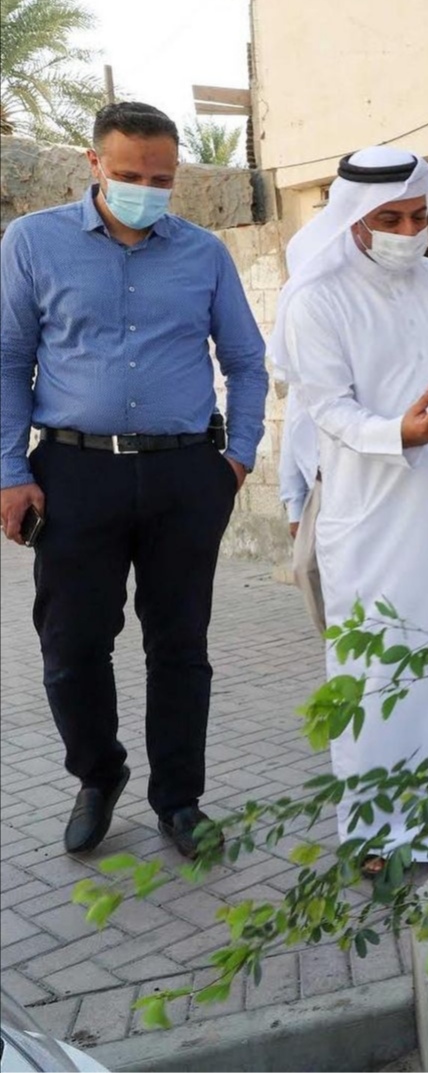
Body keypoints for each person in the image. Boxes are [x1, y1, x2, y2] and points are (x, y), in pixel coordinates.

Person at [0, 102, 268, 858]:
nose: (146, 190)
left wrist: (236, 457)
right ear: (93, 165)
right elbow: (6, 361)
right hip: (75, 471)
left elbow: (246, 361)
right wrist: (10, 472)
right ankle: (97, 772)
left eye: (161, 179)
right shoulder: (32, 243)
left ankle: (178, 800)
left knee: (180, 644)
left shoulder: (203, 253)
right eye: (128, 176)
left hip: (186, 471)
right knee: (72, 644)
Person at [270, 146, 428, 862]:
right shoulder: (318, 297)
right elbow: (328, 411)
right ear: (352, 219)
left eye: (419, 214)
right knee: (379, 671)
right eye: (390, 217)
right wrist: (395, 433)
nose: (409, 230)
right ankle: (380, 828)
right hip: (369, 513)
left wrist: (427, 431)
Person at [278, 383, 325, 633]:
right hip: (321, 485)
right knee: (305, 567)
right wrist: (295, 508)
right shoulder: (302, 368)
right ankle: (335, 644)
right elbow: (292, 436)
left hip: (367, 480)